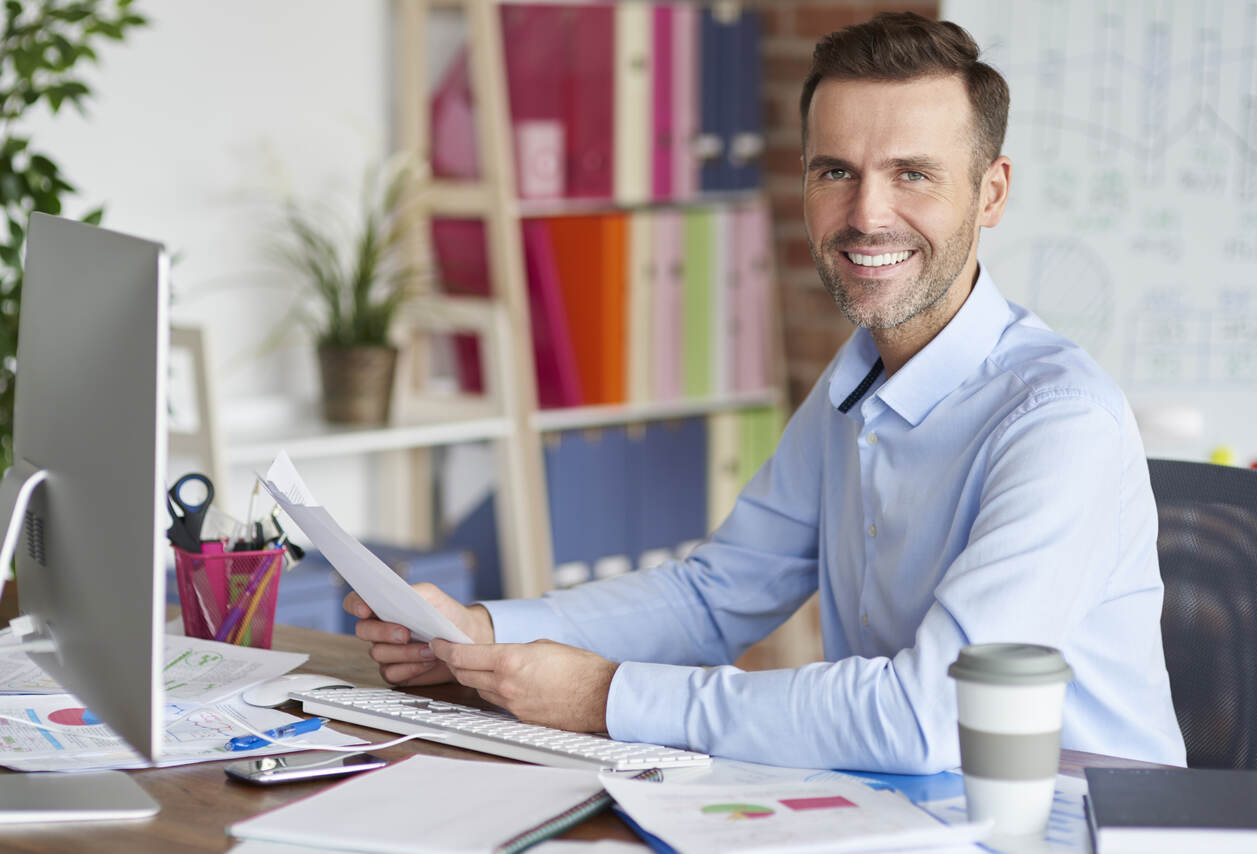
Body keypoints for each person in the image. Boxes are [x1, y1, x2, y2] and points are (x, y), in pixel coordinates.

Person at [345, 12, 1187, 773]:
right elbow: (716, 596)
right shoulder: (856, 379)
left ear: (991, 192)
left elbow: (935, 714)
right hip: (907, 811)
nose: (867, 214)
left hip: (1072, 829)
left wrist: (607, 698)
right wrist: (483, 633)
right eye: (835, 173)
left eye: (913, 175)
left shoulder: (1058, 422)